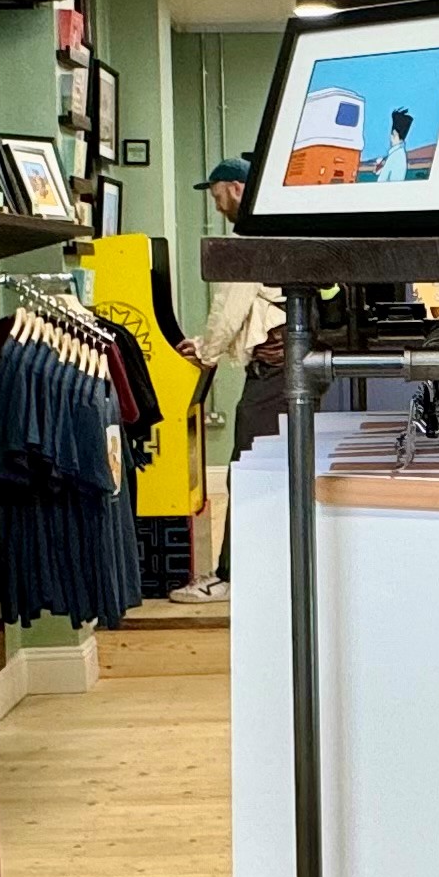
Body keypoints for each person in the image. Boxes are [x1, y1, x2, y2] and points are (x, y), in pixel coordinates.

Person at [177, 157, 281, 598]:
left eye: (216, 194)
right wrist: (205, 344)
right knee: (272, 472)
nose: (216, 204)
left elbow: (230, 309)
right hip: (288, 368)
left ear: (234, 188)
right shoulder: (277, 227)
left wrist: (206, 352)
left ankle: (232, 577)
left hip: (273, 373)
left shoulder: (249, 238)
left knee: (247, 470)